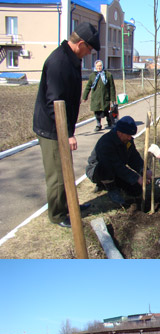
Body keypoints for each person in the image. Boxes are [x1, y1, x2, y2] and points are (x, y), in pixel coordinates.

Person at [33, 22, 100, 228]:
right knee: (58, 175)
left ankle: (69, 205)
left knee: (66, 170)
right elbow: (55, 103)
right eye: (89, 49)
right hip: (52, 129)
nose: (89, 53)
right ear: (80, 43)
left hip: (61, 127)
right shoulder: (59, 62)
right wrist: (66, 133)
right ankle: (57, 214)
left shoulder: (70, 59)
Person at [86, 115, 152, 206]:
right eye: (128, 135)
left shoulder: (127, 141)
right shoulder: (106, 143)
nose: (130, 138)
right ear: (119, 132)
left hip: (117, 171)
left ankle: (109, 183)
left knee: (136, 190)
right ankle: (110, 187)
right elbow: (115, 165)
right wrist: (136, 178)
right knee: (106, 166)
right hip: (98, 171)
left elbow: (133, 157)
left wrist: (144, 170)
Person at [82, 59, 116, 131]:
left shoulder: (108, 75)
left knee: (106, 111)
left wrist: (113, 99)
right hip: (96, 98)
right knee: (97, 111)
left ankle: (109, 122)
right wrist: (85, 97)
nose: (99, 67)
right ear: (95, 66)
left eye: (100, 66)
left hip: (105, 97)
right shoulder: (92, 76)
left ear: (102, 66)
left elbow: (112, 87)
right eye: (97, 66)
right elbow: (88, 86)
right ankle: (98, 124)